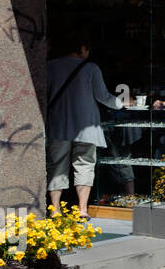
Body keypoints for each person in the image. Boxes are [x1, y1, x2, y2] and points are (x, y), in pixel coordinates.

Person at [46, 32, 128, 217]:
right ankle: (82, 209)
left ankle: (55, 209)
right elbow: (103, 96)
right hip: (87, 127)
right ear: (82, 48)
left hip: (58, 125)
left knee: (57, 166)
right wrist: (122, 103)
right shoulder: (90, 68)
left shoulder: (50, 67)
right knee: (84, 165)